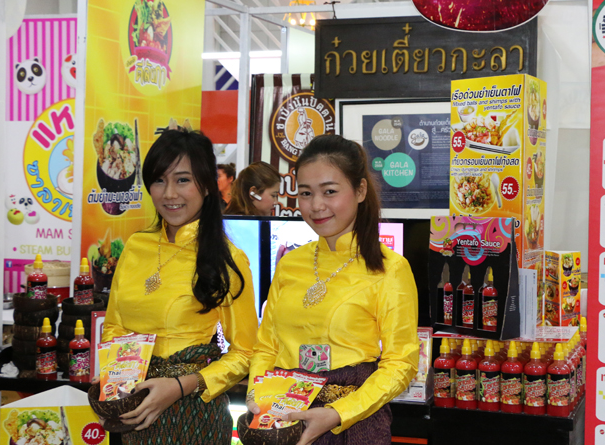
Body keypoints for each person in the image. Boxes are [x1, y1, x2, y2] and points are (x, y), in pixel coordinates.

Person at [246, 134, 419, 445]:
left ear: (360, 190)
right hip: (284, 417)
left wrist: (338, 413)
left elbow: (401, 363)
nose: (316, 205)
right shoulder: (290, 263)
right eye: (305, 193)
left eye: (329, 191)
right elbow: (266, 346)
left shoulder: (390, 269)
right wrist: (256, 397)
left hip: (354, 423)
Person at [101, 130, 258, 444]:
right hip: (134, 408)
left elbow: (246, 352)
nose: (169, 194)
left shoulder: (227, 259)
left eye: (183, 180)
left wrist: (180, 385)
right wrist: (112, 378)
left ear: (207, 185)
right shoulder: (135, 246)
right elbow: (115, 326)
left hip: (194, 413)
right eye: (159, 180)